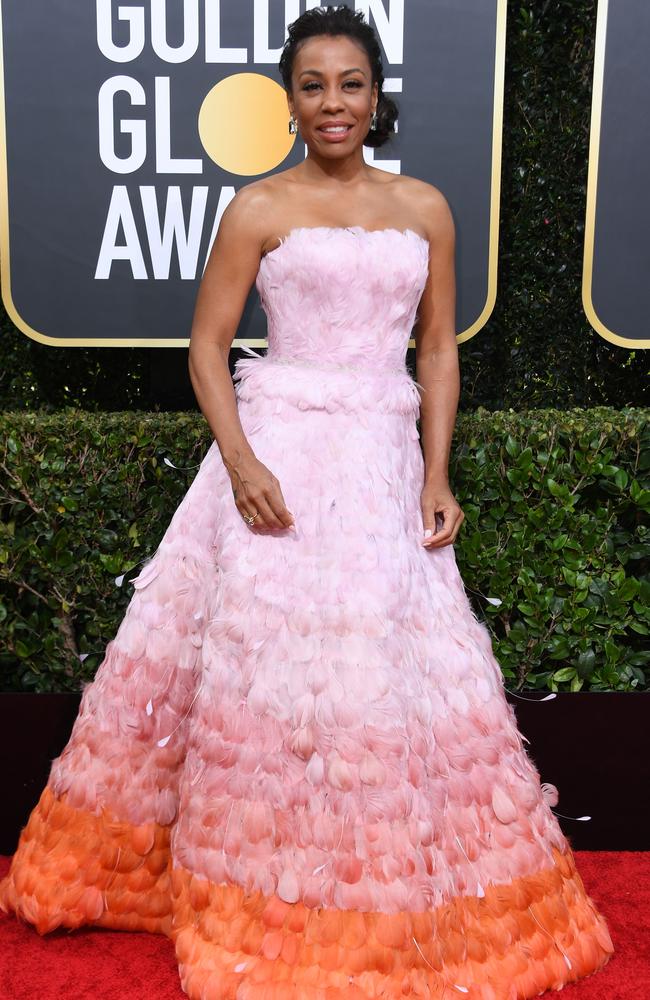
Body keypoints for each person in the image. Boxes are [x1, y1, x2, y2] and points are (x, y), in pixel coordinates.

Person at [0, 6, 614, 999]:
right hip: (279, 455)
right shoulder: (257, 207)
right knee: (267, 674)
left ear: (376, 98)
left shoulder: (425, 207)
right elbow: (207, 348)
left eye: (350, 84)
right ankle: (246, 880)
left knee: (385, 668)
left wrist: (434, 471)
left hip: (377, 454)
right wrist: (240, 461)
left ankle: (375, 883)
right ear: (288, 101)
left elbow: (438, 348)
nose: (332, 102)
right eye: (312, 84)